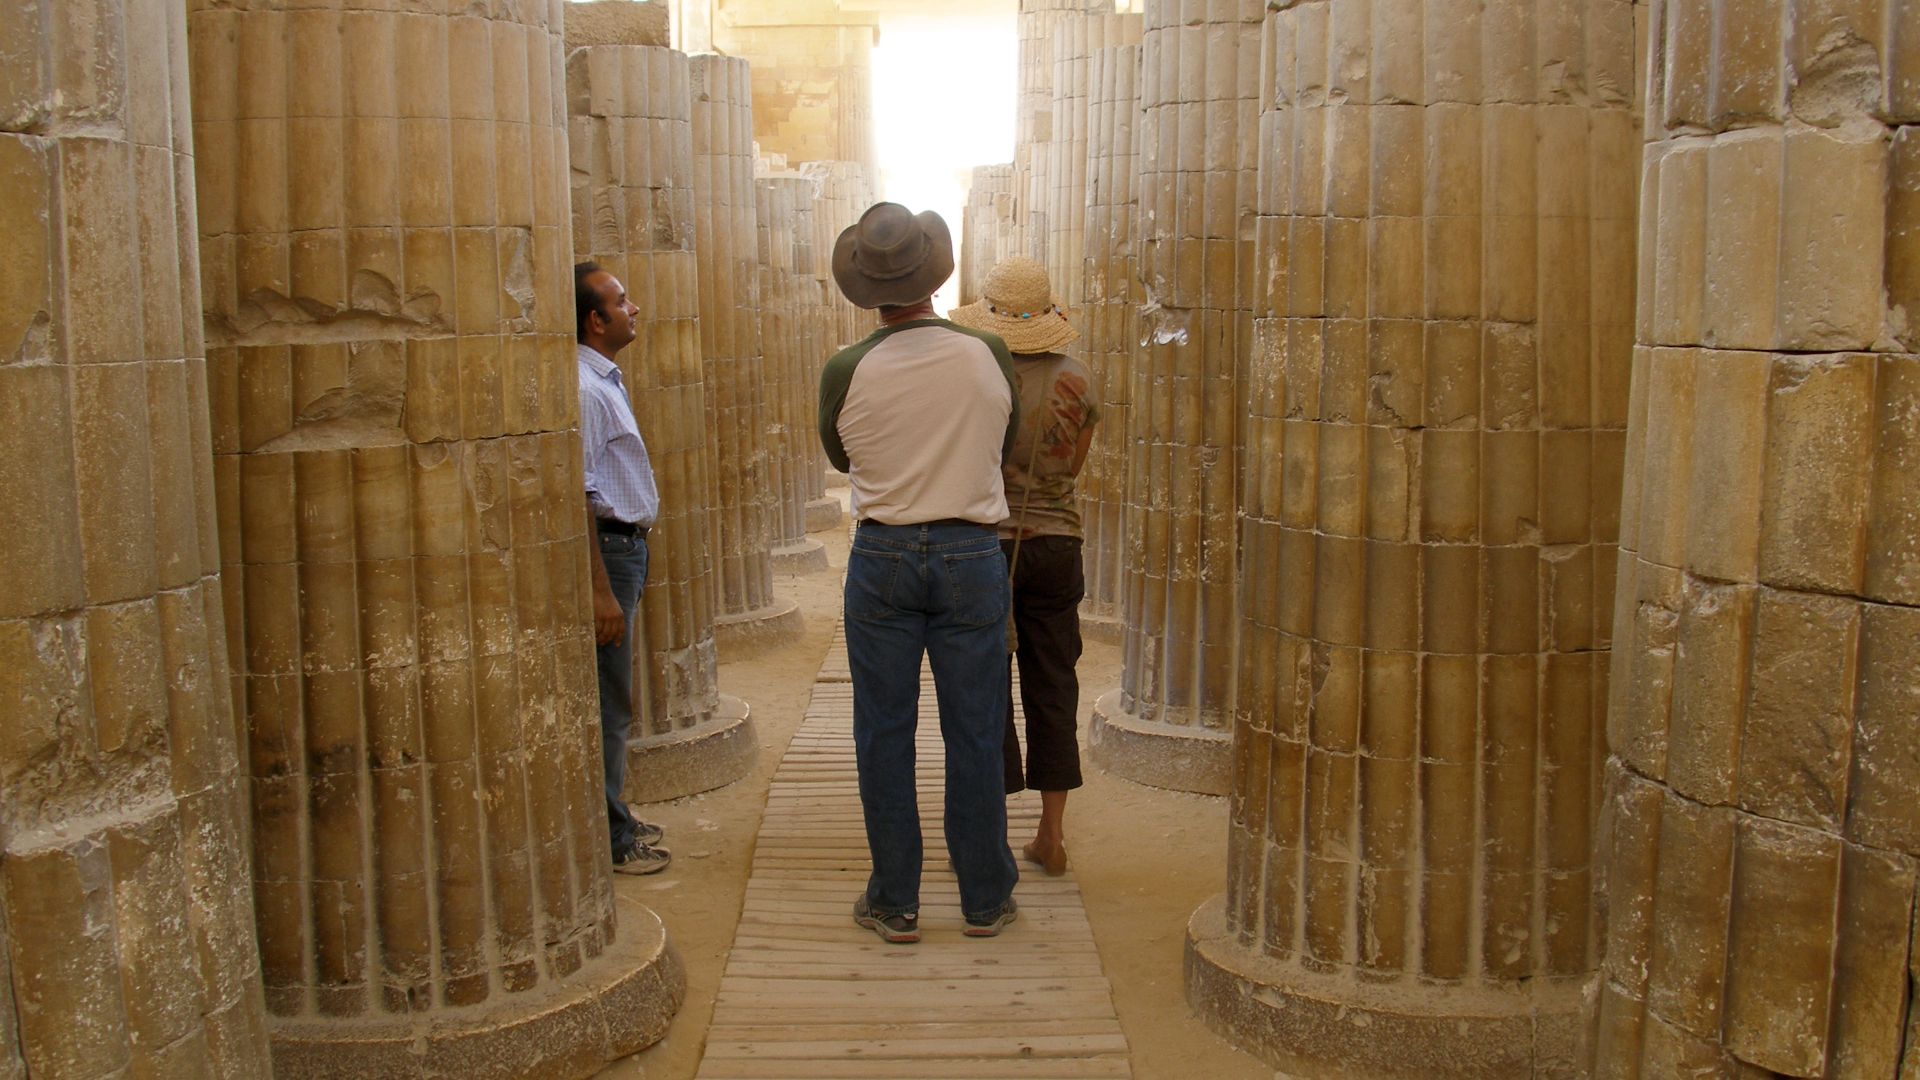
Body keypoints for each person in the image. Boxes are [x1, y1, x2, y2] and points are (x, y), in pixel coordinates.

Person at [819, 203, 1023, 942]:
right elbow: (1006, 437)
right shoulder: (988, 353)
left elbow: (842, 457)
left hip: (883, 554)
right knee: (975, 726)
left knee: (884, 729)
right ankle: (983, 895)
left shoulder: (846, 367)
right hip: (971, 550)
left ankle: (895, 898)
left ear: (868, 286)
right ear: (934, 276)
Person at [948, 257, 1098, 877]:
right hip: (1058, 545)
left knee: (987, 688)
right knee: (1054, 684)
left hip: (989, 544)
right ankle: (1053, 832)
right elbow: (1074, 468)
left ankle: (992, 830)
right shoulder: (1080, 382)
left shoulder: (977, 380)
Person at [576, 261, 670, 875]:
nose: (632, 307)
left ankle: (616, 813)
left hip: (622, 548)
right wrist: (599, 589)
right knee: (611, 701)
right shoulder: (585, 390)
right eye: (620, 300)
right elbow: (579, 492)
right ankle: (611, 837)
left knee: (617, 696)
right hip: (608, 552)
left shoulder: (602, 380)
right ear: (594, 319)